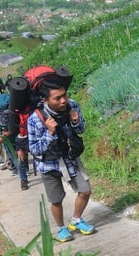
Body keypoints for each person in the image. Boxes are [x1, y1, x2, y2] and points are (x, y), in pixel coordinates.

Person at [27, 76, 95, 242]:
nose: (63, 100)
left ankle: (76, 220)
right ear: (45, 100)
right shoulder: (35, 119)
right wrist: (49, 133)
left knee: (85, 190)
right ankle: (61, 228)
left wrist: (75, 121)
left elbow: (81, 129)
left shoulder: (72, 105)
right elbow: (34, 149)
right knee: (57, 199)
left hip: (70, 156)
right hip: (49, 164)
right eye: (57, 98)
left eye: (64, 95)